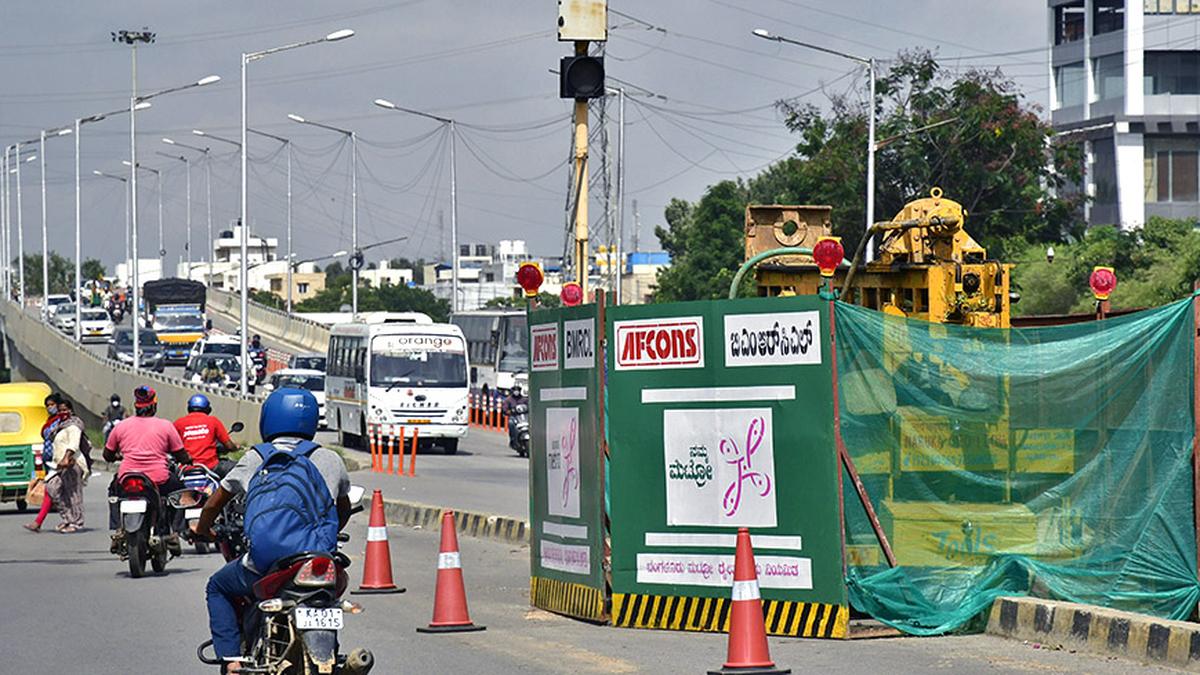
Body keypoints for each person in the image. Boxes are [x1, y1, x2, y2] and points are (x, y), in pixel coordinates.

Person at [194, 388, 350, 672]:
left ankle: (231, 660)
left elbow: (216, 501)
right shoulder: (330, 459)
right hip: (319, 561)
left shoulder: (256, 457)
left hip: (268, 561)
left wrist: (203, 529)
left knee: (217, 587)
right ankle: (331, 653)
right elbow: (342, 509)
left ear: (268, 419)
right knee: (331, 595)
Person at [103, 386, 191, 553]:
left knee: (113, 493)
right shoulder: (165, 426)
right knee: (181, 491)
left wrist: (118, 457)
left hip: (127, 477)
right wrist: (186, 460)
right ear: (154, 406)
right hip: (159, 478)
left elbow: (107, 454)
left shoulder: (121, 426)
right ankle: (175, 532)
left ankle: (118, 529)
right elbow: (180, 454)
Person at [42, 399, 88, 532]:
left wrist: (67, 458)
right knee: (53, 488)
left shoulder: (74, 425)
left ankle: (76, 522)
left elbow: (73, 444)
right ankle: (67, 518)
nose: (62, 412)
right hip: (59, 465)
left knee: (73, 493)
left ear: (70, 410)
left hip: (72, 463)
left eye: (65, 410)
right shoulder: (60, 426)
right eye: (60, 410)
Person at [24, 393, 67, 532]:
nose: (50, 408)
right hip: (49, 461)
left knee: (52, 491)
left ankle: (39, 522)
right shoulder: (50, 420)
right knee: (58, 491)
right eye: (47, 405)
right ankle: (69, 520)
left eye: (52, 405)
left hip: (59, 461)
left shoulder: (62, 421)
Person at [174, 394, 236, 474]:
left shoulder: (178, 423)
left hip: (185, 468)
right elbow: (229, 446)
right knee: (240, 468)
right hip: (211, 466)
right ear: (208, 409)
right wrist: (236, 447)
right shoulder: (213, 421)